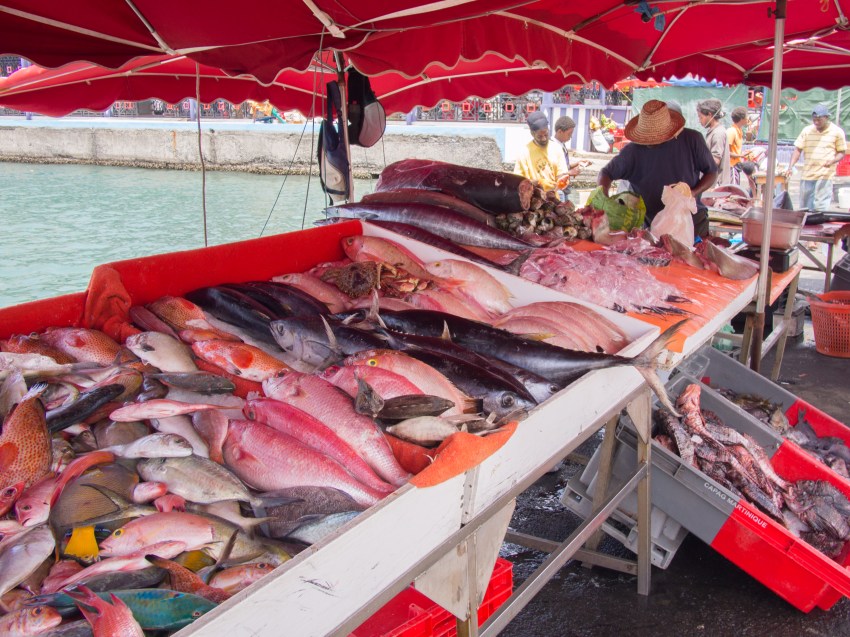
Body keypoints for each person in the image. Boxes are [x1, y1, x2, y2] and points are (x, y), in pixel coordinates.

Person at [598, 100, 717, 239]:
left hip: (692, 222)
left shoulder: (692, 139)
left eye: (655, 137)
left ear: (670, 131)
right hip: (654, 226)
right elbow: (605, 173)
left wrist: (693, 192)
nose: (650, 141)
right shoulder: (633, 151)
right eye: (646, 136)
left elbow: (712, 172)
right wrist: (604, 199)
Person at [785, 103, 847, 211]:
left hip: (825, 176)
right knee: (805, 208)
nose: (816, 122)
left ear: (826, 117)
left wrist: (832, 161)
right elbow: (798, 150)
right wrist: (790, 166)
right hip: (807, 175)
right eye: (814, 120)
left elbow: (841, 152)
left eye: (819, 120)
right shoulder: (807, 131)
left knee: (820, 208)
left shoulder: (837, 132)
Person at [514, 111, 568, 192]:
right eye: (540, 136)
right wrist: (538, 182)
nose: (544, 139)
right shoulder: (524, 152)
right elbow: (518, 181)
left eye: (546, 135)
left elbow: (561, 174)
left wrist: (562, 180)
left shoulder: (556, 148)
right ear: (532, 134)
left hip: (553, 195)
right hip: (533, 196)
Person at [697, 98, 731, 185]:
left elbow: (715, 161)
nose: (699, 120)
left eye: (701, 117)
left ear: (710, 114)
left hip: (716, 185)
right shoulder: (713, 131)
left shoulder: (718, 133)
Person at [553, 115, 591, 191]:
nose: (571, 137)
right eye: (569, 134)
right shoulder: (552, 147)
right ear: (560, 132)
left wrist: (577, 163)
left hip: (564, 186)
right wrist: (569, 173)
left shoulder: (561, 145)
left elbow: (564, 166)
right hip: (557, 187)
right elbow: (552, 173)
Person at [727, 106, 748, 185]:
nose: (748, 118)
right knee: (733, 189)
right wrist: (741, 155)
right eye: (747, 116)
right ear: (742, 119)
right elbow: (727, 152)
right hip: (731, 166)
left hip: (736, 165)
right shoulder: (731, 131)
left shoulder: (739, 131)